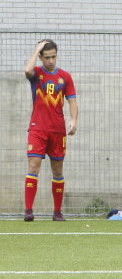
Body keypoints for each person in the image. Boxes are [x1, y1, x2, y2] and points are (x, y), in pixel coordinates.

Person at [23, 40, 78, 222]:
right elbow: (27, 71)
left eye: (54, 56)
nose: (51, 61)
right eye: (47, 57)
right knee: (33, 166)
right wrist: (36, 49)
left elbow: (72, 101)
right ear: (40, 58)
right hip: (37, 128)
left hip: (57, 130)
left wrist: (73, 120)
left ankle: (57, 212)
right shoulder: (37, 74)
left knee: (57, 169)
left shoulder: (65, 77)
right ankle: (29, 211)